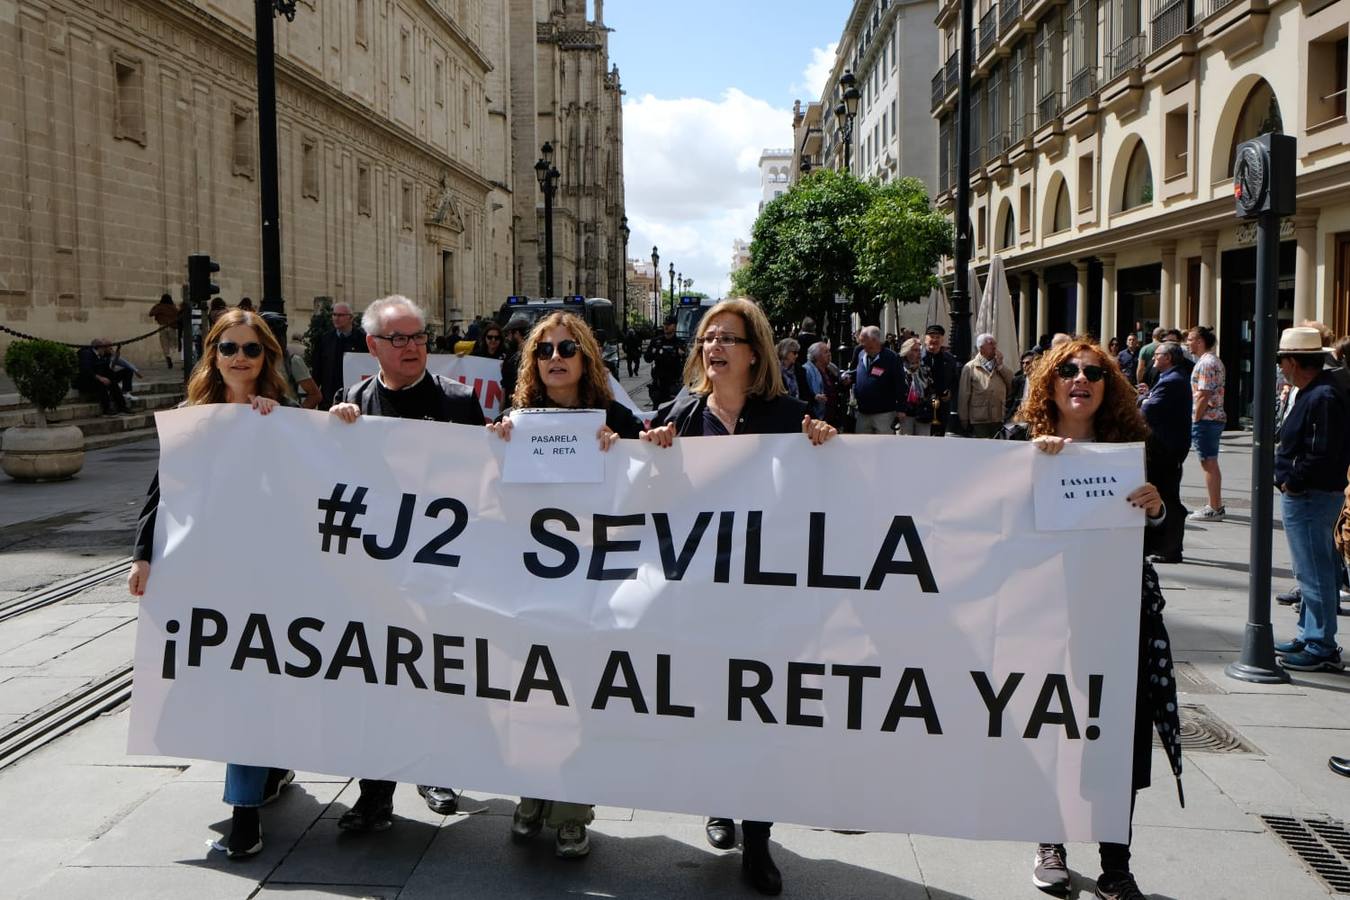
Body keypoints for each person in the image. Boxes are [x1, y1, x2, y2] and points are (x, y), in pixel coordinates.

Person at [641, 298, 837, 896]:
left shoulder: (790, 417)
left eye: (728, 338)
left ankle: (758, 838)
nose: (714, 348)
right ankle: (719, 802)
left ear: (755, 352)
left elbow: (838, 494)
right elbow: (635, 484)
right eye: (708, 339)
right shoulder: (680, 413)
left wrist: (826, 444)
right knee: (711, 708)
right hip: (700, 599)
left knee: (761, 715)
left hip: (768, 604)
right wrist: (647, 454)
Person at [1004, 338, 1183, 900]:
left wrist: (1156, 509)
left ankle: (1116, 862)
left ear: (1108, 388)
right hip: (1044, 614)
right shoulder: (1018, 443)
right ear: (1048, 384)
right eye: (1067, 371)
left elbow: (1167, 530)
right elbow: (989, 523)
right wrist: (1032, 468)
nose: (1080, 380)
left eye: (1093, 373)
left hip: (1117, 614)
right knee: (1052, 725)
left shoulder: (1132, 448)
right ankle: (1050, 841)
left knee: (1115, 737)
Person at [127, 308, 297, 859]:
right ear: (213, 355)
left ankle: (248, 803)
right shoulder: (189, 416)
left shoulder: (282, 417)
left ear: (266, 356)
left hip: (267, 575)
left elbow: (309, 488)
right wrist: (142, 557)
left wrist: (278, 428)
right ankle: (257, 783)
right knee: (227, 686)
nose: (240, 359)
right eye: (229, 349)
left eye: (251, 349)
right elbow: (161, 493)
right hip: (207, 575)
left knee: (251, 683)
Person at [486, 312, 642, 859]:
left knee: (580, 696)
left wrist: (624, 448)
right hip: (532, 584)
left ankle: (573, 808)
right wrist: (497, 445)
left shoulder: (615, 417)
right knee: (532, 694)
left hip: (593, 583)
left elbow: (657, 479)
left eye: (568, 349)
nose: (556, 357)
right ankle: (531, 794)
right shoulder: (516, 420)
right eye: (545, 350)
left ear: (586, 359)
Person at [328, 295, 485, 830]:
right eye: (399, 339)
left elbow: (484, 483)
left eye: (419, 336)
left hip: (441, 571)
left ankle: (434, 770)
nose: (413, 346)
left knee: (433, 678)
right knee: (377, 685)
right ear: (372, 346)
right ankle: (375, 793)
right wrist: (333, 429)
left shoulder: (460, 403)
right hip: (376, 575)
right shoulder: (352, 400)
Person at [1272, 328, 1350, 672]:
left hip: (1310, 495)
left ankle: (1320, 644)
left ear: (1291, 361)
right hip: (1310, 493)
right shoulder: (1316, 391)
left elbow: (1321, 452)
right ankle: (1310, 635)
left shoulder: (1321, 395)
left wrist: (1292, 481)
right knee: (1311, 571)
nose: (1279, 368)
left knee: (1315, 571)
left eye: (1280, 360)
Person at [1139, 342, 1191, 563]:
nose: (1153, 360)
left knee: (1167, 496)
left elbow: (1149, 408)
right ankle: (1167, 546)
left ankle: (1170, 548)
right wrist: (1147, 395)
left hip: (1167, 448)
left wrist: (1143, 399)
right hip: (1165, 446)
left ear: (1168, 358)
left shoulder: (1173, 380)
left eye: (1157, 355)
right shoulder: (1169, 378)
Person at [1186, 326, 1227, 521]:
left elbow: (1203, 394)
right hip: (1210, 418)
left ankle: (1215, 507)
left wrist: (1196, 419)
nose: (1187, 342)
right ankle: (1214, 504)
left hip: (1207, 419)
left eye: (1191, 339)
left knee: (1208, 462)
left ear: (1200, 341)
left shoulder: (1207, 363)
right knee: (1209, 461)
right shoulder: (1208, 361)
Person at [311, 302, 367, 410]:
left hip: (354, 399)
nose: (336, 318)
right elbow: (317, 371)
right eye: (334, 315)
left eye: (340, 315)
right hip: (329, 399)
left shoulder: (362, 340)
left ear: (351, 318)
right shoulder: (325, 339)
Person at [261, 312, 321, 409]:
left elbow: (315, 395)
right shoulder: (253, 360)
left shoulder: (292, 361)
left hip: (285, 415)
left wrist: (295, 415)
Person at [958, 333, 1013, 438]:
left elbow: (1012, 384)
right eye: (990, 343)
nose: (994, 346)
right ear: (981, 348)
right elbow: (964, 395)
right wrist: (963, 418)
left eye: (995, 343)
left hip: (998, 417)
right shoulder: (970, 368)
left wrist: (1001, 366)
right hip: (979, 419)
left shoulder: (1000, 365)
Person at [851, 326, 903, 434]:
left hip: (884, 414)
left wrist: (901, 408)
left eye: (863, 341)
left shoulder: (891, 358)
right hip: (863, 413)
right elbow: (856, 372)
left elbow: (900, 383)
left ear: (874, 341)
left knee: (885, 447)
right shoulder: (861, 354)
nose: (861, 344)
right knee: (862, 447)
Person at [919, 325, 960, 436]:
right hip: (921, 406)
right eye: (932, 336)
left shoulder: (949, 359)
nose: (935, 340)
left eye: (938, 337)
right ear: (925, 338)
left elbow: (954, 381)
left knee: (939, 439)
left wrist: (949, 393)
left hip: (942, 407)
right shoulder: (917, 357)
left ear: (942, 340)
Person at [75, 339, 130, 416]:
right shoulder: (86, 354)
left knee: (112, 382)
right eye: (104, 348)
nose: (105, 350)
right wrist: (100, 378)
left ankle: (122, 406)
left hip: (94, 379)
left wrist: (111, 377)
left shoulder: (100, 356)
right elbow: (86, 370)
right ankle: (106, 408)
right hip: (85, 381)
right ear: (99, 348)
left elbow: (107, 370)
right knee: (101, 383)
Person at [644, 314, 687, 408]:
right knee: (656, 413)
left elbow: (687, 362)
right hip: (659, 385)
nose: (666, 326)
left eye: (669, 324)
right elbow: (647, 358)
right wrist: (654, 352)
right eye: (665, 324)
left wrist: (681, 354)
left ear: (675, 326)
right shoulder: (656, 341)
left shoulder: (680, 343)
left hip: (673, 385)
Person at [803, 341, 846, 428]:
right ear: (816, 356)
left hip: (833, 417)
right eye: (826, 352)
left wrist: (844, 382)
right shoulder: (806, 370)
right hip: (818, 419)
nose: (829, 354)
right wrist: (815, 397)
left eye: (829, 351)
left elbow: (838, 388)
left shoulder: (832, 368)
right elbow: (804, 394)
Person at [898, 337, 931, 435]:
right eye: (915, 350)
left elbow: (930, 390)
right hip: (905, 414)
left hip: (922, 414)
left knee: (923, 447)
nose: (919, 353)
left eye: (919, 350)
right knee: (905, 446)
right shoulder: (899, 370)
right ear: (907, 352)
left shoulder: (925, 369)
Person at [500, 314, 532, 404]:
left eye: (508, 334)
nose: (507, 338)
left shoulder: (531, 355)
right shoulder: (511, 354)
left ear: (517, 333)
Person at [150, 294, 179, 368]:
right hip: (172, 327)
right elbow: (178, 315)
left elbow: (151, 313)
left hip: (162, 326)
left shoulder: (159, 306)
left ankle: (167, 356)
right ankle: (170, 356)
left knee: (164, 344)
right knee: (173, 344)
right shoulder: (173, 308)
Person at [1005, 351, 1035, 423]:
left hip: (1035, 417)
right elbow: (1010, 401)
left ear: (1035, 364)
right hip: (1019, 417)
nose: (1024, 366)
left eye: (1027, 363)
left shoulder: (1041, 381)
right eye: (1023, 363)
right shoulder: (1017, 380)